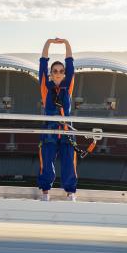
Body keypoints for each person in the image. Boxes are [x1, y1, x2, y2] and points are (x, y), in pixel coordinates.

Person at [38, 38, 77, 201]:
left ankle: (70, 193)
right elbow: (42, 63)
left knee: (69, 163)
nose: (59, 73)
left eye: (61, 71)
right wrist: (48, 42)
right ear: (51, 74)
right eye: (55, 71)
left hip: (67, 131)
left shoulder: (68, 85)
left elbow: (70, 62)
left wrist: (66, 43)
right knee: (47, 162)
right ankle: (46, 193)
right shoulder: (45, 87)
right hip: (49, 131)